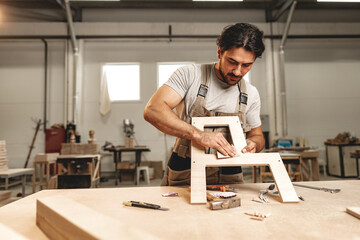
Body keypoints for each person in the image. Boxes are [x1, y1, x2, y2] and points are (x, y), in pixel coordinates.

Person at [144, 23, 265, 186]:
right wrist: (198, 134)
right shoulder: (190, 75)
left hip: (230, 171)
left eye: (246, 65)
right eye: (232, 61)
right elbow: (153, 110)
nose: (237, 71)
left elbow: (257, 136)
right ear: (219, 52)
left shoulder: (250, 93)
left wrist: (254, 144)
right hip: (186, 167)